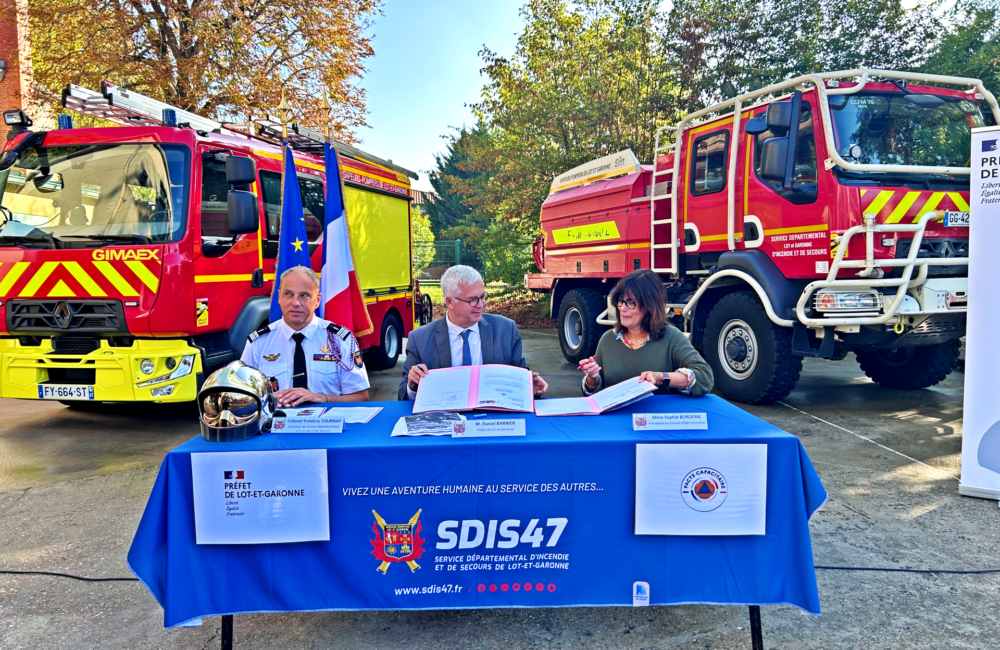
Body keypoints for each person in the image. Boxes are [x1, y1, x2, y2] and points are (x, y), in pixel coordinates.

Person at [399, 265, 549, 400]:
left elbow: (520, 377)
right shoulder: (419, 339)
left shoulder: (505, 330)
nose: (481, 304)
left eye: (483, 297)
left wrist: (529, 386)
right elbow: (403, 395)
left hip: (494, 416)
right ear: (450, 302)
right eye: (472, 300)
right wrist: (412, 386)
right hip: (445, 417)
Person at [241, 266, 370, 406]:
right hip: (276, 419)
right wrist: (268, 401)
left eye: (304, 295)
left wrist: (322, 398)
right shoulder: (259, 343)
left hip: (326, 419)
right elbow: (241, 397)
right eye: (288, 294)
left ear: (318, 300)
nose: (295, 303)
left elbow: (361, 397)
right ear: (279, 297)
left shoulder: (340, 340)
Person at [578, 269, 713, 397]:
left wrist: (660, 377)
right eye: (620, 301)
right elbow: (594, 394)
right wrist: (592, 379)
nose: (622, 308)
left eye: (631, 302)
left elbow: (705, 377)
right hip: (618, 414)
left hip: (657, 414)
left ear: (650, 306)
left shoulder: (671, 337)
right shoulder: (607, 340)